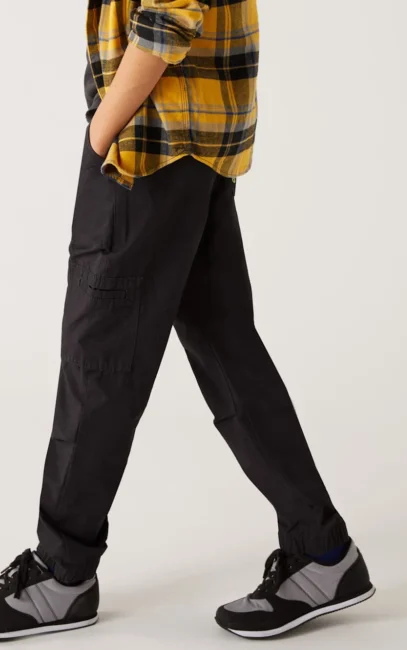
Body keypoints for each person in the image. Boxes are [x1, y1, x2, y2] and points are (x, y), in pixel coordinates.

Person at [0, 0, 375, 640]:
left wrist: (101, 132)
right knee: (226, 347)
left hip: (150, 140)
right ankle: (323, 552)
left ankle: (61, 573)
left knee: (99, 357)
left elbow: (169, 13)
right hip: (187, 136)